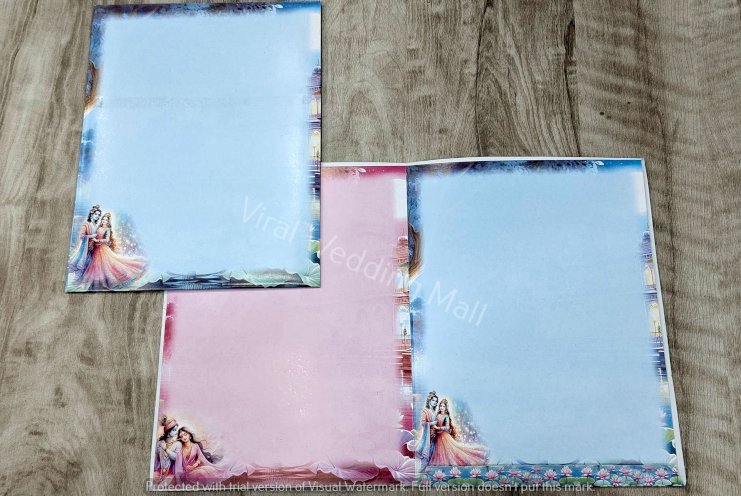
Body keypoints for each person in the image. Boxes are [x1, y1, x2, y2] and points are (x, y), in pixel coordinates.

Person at [78, 212, 146, 290]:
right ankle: (98, 282)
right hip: (96, 249)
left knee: (108, 265)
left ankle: (108, 281)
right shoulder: (98, 228)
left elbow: (107, 240)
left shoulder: (107, 229)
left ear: (108, 222)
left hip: (103, 249)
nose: (104, 221)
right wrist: (92, 241)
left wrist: (97, 240)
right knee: (97, 267)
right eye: (103, 219)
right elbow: (94, 236)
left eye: (106, 220)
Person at [428, 399, 487, 466]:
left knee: (453, 450)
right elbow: (435, 423)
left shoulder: (446, 416)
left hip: (444, 436)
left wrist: (438, 428)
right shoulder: (437, 415)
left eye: (443, 406)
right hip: (438, 436)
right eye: (441, 406)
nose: (442, 408)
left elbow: (447, 427)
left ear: (446, 408)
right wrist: (434, 427)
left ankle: (479, 455)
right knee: (440, 452)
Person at [69, 204, 101, 277]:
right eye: (96, 214)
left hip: (92, 249)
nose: (97, 216)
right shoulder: (86, 224)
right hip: (85, 249)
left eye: (99, 215)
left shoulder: (96, 225)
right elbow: (81, 236)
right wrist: (91, 236)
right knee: (82, 267)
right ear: (91, 214)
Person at [415, 391, 439, 467]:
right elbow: (423, 423)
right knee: (426, 455)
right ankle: (423, 468)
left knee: (432, 453)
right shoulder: (425, 411)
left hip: (434, 436)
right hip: (427, 436)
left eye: (436, 401)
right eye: (433, 400)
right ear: (429, 401)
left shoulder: (435, 412)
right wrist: (432, 423)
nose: (434, 402)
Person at [154, 417, 181, 483]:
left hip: (171, 473)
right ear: (168, 432)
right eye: (174, 430)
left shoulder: (177, 443)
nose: (176, 432)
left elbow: (176, 458)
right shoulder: (160, 442)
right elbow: (156, 457)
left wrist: (165, 449)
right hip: (159, 471)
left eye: (176, 429)